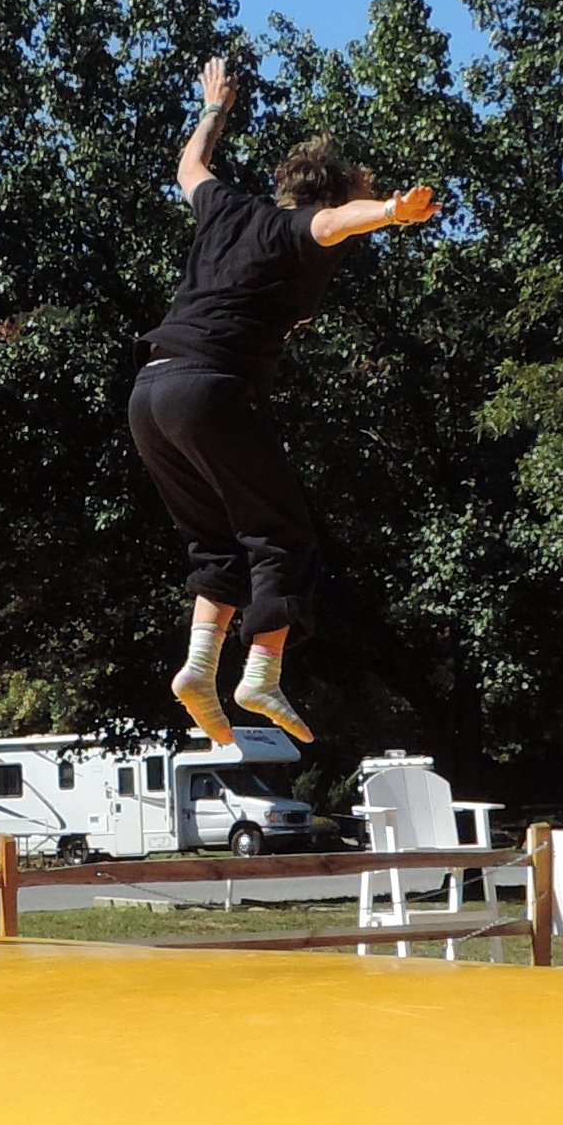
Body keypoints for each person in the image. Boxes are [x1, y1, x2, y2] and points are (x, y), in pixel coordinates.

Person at [129, 58, 438, 747]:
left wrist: (214, 107)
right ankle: (261, 671)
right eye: (364, 184)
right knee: (283, 536)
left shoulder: (229, 207)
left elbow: (188, 169)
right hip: (209, 388)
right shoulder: (300, 229)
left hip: (150, 392)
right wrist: (389, 213)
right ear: (332, 194)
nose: (371, 191)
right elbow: (334, 226)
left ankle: (199, 667)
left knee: (216, 541)